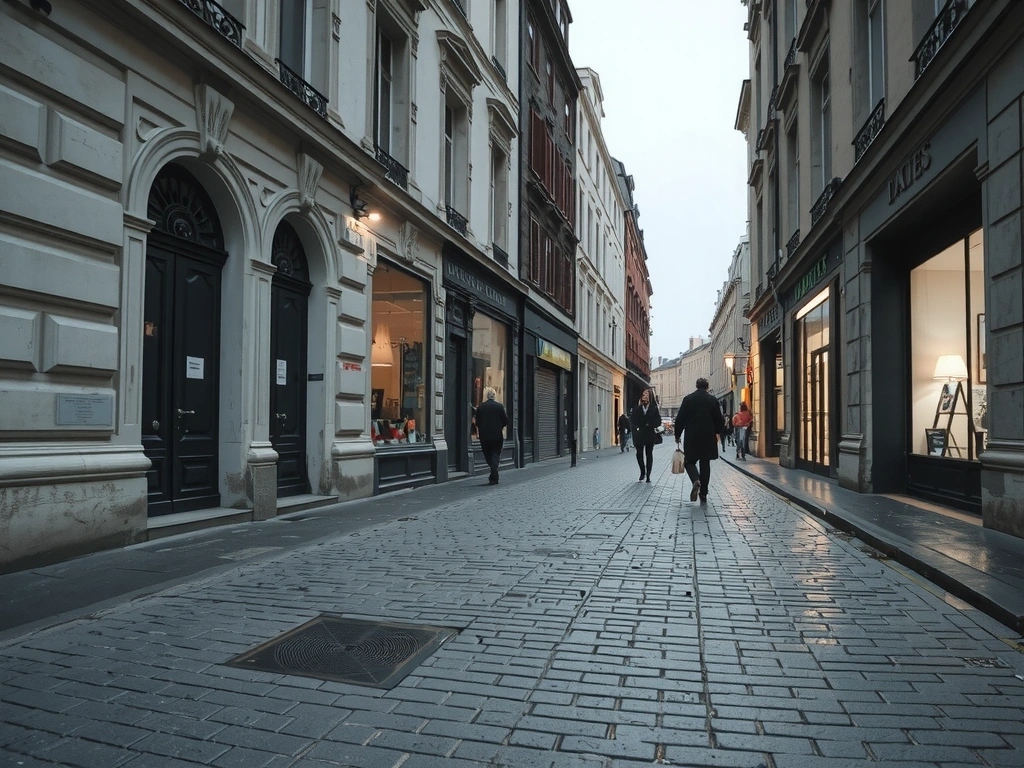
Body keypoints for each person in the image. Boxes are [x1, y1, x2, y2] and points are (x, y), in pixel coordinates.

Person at [674, 377, 725, 504]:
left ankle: (696, 480)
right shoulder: (712, 400)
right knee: (705, 464)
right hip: (708, 436)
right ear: (707, 387)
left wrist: (677, 434)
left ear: (696, 386)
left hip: (692, 436)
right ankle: (703, 493)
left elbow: (680, 418)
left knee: (689, 461)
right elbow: (719, 419)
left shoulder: (688, 399)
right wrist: (718, 432)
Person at [475, 387, 508, 484]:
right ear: (494, 395)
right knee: (496, 454)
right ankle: (494, 474)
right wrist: (499, 426)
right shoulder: (499, 406)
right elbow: (505, 421)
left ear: (486, 396)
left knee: (488, 455)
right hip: (497, 436)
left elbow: (477, 423)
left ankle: (493, 474)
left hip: (484, 437)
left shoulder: (480, 407)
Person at [629, 388, 661, 483]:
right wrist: (635, 428)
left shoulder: (653, 408)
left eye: (647, 394)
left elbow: (658, 421)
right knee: (639, 454)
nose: (645, 396)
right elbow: (632, 420)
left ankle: (648, 475)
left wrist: (651, 424)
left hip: (650, 434)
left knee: (649, 454)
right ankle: (642, 471)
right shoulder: (638, 408)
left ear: (650, 397)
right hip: (639, 434)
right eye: (643, 394)